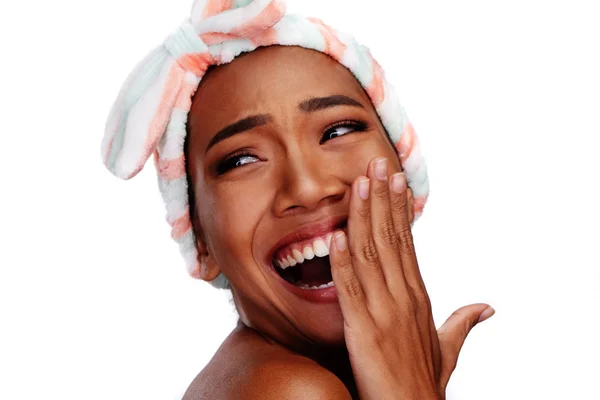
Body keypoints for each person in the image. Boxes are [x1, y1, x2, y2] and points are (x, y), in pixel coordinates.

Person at [101, 1, 495, 398]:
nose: (307, 187)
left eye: (338, 131)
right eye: (242, 160)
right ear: (201, 244)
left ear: (405, 176)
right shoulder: (291, 391)